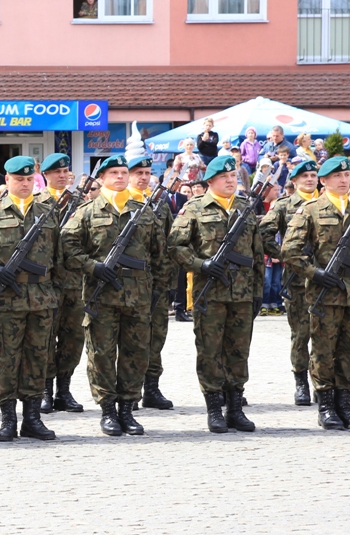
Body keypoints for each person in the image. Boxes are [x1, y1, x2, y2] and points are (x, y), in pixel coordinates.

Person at [61, 155, 166, 437]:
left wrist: (158, 291)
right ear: (102, 178)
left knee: (136, 353)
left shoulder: (144, 212)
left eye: (123, 172)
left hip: (138, 296)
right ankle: (108, 409)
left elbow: (160, 255)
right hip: (101, 297)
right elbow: (67, 247)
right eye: (114, 173)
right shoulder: (87, 212)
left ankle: (128, 409)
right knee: (101, 354)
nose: (120, 177)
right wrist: (92, 266)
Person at [0, 156, 59, 441]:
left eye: (29, 179)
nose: (25, 184)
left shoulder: (48, 213)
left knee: (38, 358)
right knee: (8, 359)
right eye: (19, 179)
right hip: (8, 298)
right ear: (6, 180)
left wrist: (56, 292)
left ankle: (32, 418)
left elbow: (59, 257)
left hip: (41, 297)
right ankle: (8, 418)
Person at [169, 155, 263, 434]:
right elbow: (175, 246)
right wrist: (201, 264)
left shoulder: (245, 208)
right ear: (210, 181)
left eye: (233, 176)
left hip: (242, 293)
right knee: (209, 351)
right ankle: (213, 409)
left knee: (239, 351)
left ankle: (235, 408)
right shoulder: (194, 208)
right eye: (224, 177)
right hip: (210, 293)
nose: (231, 181)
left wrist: (257, 291)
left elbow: (257, 254)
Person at [281, 156, 350, 429]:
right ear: (324, 181)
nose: (344, 180)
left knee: (347, 350)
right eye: (337, 176)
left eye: (347, 175)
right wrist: (315, 273)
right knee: (323, 351)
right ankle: (326, 405)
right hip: (326, 293)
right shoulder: (311, 210)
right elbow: (290, 250)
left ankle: (345, 403)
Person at [261, 160, 318, 406]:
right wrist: (285, 256)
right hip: (297, 281)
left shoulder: (330, 202)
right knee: (301, 334)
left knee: (329, 336)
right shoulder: (284, 205)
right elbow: (264, 233)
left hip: (327, 280)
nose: (310, 179)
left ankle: (324, 383)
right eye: (305, 176)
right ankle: (301, 382)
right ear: (294, 181)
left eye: (313, 175)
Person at [33, 153, 85, 414]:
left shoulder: (81, 203)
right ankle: (45, 389)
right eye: (57, 172)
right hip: (45, 282)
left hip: (75, 282)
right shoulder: (36, 203)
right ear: (46, 175)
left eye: (65, 171)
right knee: (44, 337)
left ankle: (64, 390)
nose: (62, 175)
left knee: (72, 338)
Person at [127, 155, 175, 410]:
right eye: (138, 173)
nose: (144, 177)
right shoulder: (123, 203)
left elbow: (169, 244)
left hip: (158, 283)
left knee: (156, 336)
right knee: (130, 339)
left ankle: (152, 388)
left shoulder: (160, 205)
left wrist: (167, 283)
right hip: (131, 284)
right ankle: (129, 391)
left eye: (147, 173)